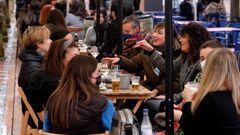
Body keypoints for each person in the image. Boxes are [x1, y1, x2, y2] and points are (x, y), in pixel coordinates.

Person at [154, 39, 224, 132]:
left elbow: (195, 125)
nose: (180, 39)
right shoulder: (199, 74)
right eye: (202, 58)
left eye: (209, 58)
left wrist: (181, 113)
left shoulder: (217, 92)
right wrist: (179, 106)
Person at [44, 55, 115, 134]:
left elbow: (46, 129)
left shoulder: (55, 101)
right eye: (97, 76)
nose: (99, 80)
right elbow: (113, 130)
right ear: (87, 77)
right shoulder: (104, 104)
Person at [181, 48, 240, 135]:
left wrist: (187, 102)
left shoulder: (211, 100)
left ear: (209, 69)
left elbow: (190, 131)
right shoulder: (235, 96)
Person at [27, 39, 79, 113]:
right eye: (75, 56)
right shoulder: (53, 82)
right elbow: (62, 109)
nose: (79, 60)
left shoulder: (48, 73)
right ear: (61, 57)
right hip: (52, 121)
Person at [18, 26, 52, 127]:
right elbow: (38, 96)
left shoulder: (34, 61)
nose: (51, 41)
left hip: (39, 112)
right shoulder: (32, 66)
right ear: (38, 44)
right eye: (47, 38)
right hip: (39, 117)